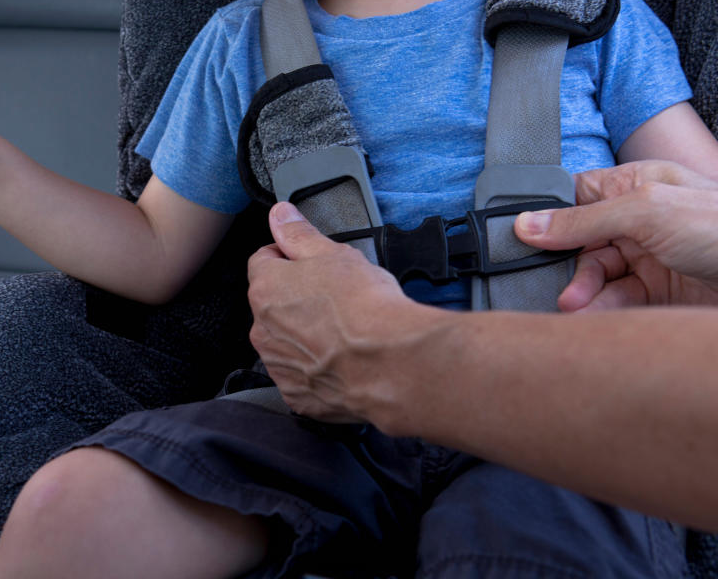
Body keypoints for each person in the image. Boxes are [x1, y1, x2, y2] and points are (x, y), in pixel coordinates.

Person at [0, 0, 718, 576]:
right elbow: (151, 254)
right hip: (320, 403)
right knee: (75, 508)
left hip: (557, 403)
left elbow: (699, 202)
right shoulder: (242, 44)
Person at [248, 160, 718, 534]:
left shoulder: (615, 40)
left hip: (547, 446)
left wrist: (382, 351)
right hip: (309, 420)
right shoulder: (235, 52)